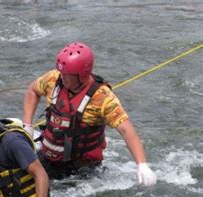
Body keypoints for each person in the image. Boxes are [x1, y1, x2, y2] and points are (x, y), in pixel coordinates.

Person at [22, 41, 157, 185]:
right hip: (47, 158)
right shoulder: (53, 79)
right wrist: (27, 124)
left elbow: (126, 130)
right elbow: (33, 90)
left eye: (68, 75)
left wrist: (141, 164)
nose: (63, 77)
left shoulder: (102, 98)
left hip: (81, 171)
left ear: (83, 74)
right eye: (62, 73)